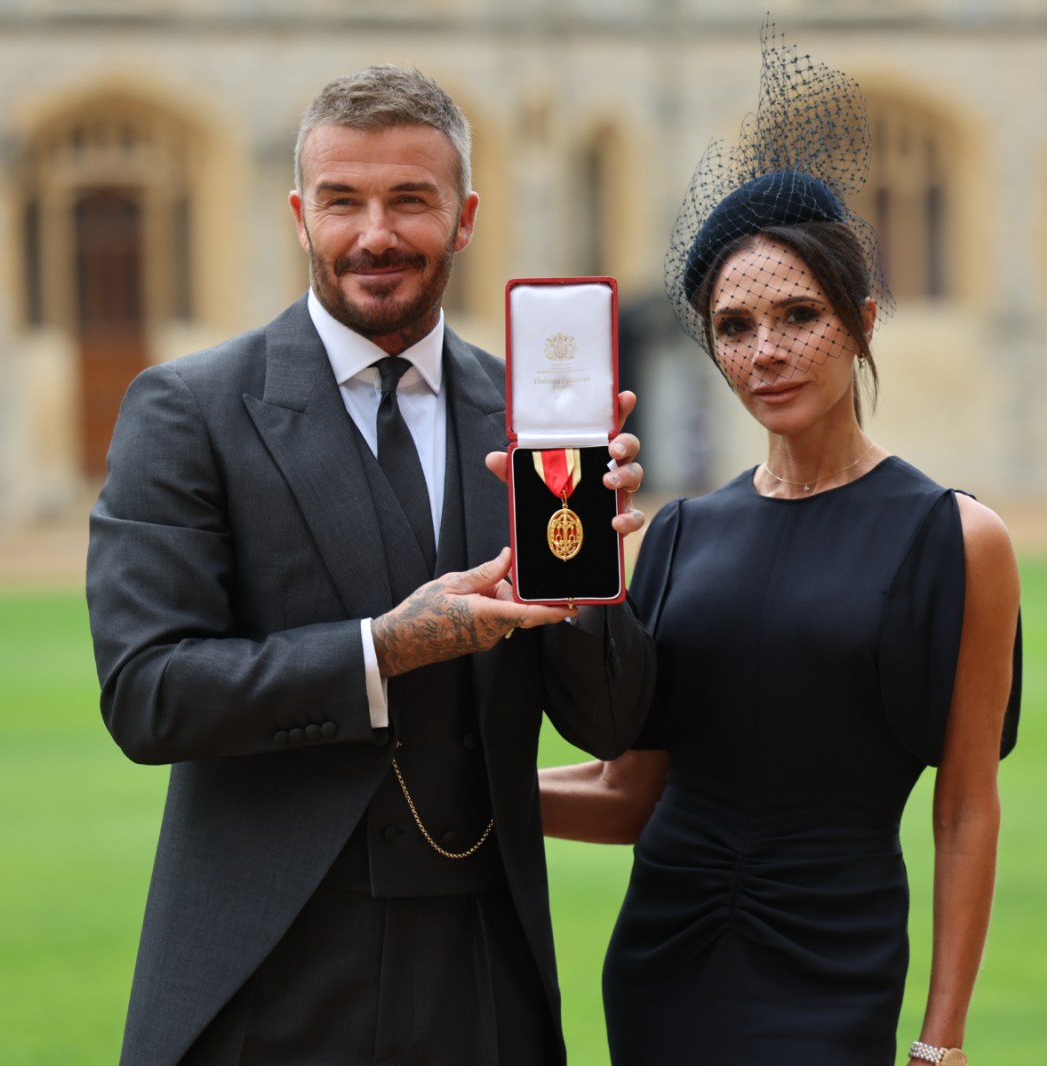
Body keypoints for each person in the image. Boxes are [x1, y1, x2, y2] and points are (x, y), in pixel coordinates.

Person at [86, 64, 655, 1066]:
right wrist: (381, 650)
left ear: (464, 218)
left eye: (410, 200)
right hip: (268, 973)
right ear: (300, 216)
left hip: (483, 975)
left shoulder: (528, 418)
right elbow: (148, 694)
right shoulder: (189, 411)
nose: (375, 234)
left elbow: (608, 724)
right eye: (343, 200)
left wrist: (591, 559)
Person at [539, 28, 1022, 1066]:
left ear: (863, 321)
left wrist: (942, 1040)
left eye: (799, 315)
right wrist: (446, 780)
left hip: (835, 965)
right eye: (734, 325)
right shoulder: (678, 534)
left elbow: (965, 807)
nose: (766, 351)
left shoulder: (957, 540)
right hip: (664, 962)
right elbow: (628, 795)